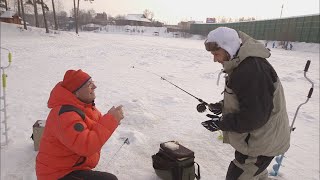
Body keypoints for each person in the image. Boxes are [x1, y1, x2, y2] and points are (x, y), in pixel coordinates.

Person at [201, 27, 290, 180]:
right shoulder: (242, 64)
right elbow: (248, 99)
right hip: (260, 139)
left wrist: (222, 123)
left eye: (216, 54)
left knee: (239, 174)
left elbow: (254, 117)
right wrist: (222, 106)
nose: (215, 59)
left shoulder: (251, 70)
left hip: (261, 144)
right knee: (254, 173)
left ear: (228, 49)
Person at [36, 69, 124, 180]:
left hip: (71, 168)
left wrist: (111, 119)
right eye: (89, 84)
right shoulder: (64, 115)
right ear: (75, 92)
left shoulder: (84, 107)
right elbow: (86, 146)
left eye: (92, 82)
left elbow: (95, 126)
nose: (94, 86)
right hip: (56, 174)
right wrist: (110, 120)